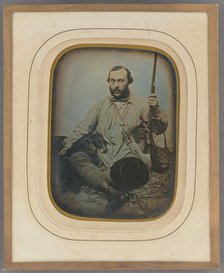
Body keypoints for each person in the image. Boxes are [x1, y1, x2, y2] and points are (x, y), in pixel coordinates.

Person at [59, 66, 168, 195]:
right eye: (112, 81)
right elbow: (84, 127)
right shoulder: (101, 104)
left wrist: (155, 109)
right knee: (76, 158)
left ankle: (94, 178)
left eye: (121, 81)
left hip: (127, 158)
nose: (116, 85)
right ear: (109, 81)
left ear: (129, 82)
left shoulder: (141, 105)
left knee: (128, 172)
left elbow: (157, 129)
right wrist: (69, 143)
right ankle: (107, 187)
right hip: (102, 156)